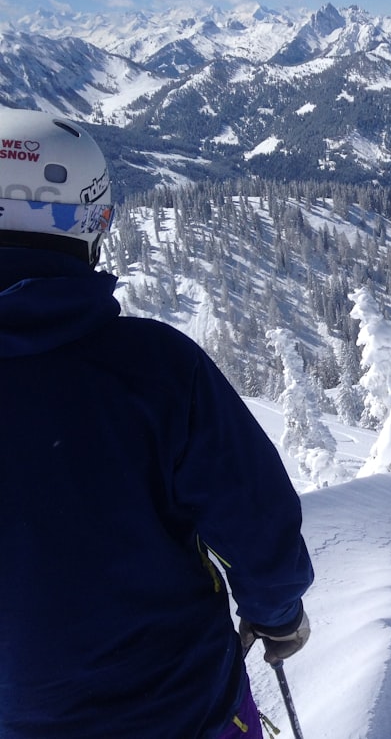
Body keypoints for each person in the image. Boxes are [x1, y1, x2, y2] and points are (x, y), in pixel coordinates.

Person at [0, 107, 315, 738]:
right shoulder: (155, 369)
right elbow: (252, 514)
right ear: (91, 222)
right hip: (175, 707)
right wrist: (276, 614)